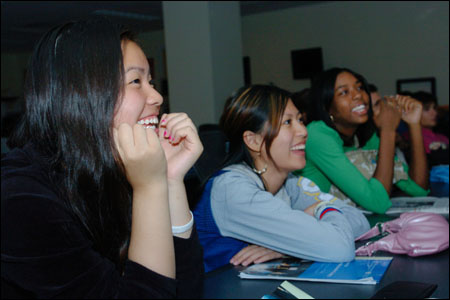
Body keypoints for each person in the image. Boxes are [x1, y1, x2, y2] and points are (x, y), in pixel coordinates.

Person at [1, 17, 204, 298]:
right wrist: (150, 187)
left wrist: (169, 179)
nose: (157, 96)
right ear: (81, 93)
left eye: (151, 81)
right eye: (136, 81)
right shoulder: (19, 199)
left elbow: (186, 290)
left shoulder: (112, 168)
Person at [193, 84, 370, 273]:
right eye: (287, 122)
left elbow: (360, 222)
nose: (303, 131)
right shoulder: (232, 190)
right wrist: (319, 213)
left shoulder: (289, 182)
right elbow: (339, 248)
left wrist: (284, 246)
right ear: (254, 140)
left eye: (300, 120)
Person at [295, 68, 429, 214]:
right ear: (327, 108)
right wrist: (388, 130)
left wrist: (414, 124)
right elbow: (378, 203)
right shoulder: (317, 135)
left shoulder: (365, 135)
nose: (358, 95)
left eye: (359, 87)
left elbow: (418, 190)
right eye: (344, 92)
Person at [402, 91, 449, 167]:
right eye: (427, 109)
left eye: (434, 108)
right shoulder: (409, 137)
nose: (434, 113)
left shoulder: (443, 137)